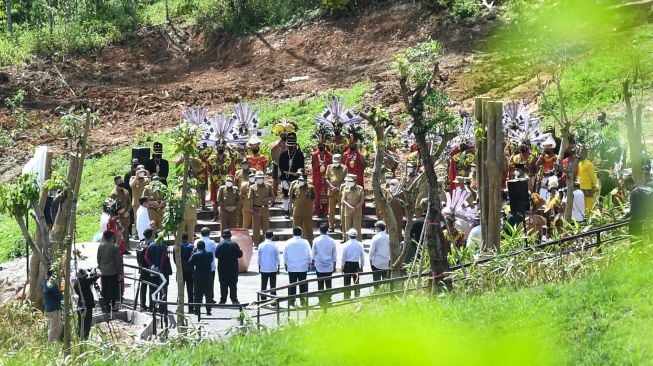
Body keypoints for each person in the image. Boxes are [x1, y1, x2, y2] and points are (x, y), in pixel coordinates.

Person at [279, 133, 305, 218]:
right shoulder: (283, 154)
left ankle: (295, 210)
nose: (290, 148)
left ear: (295, 145)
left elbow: (302, 166)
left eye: (292, 146)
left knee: (296, 194)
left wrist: (299, 171)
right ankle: (286, 211)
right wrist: (285, 173)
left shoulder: (300, 154)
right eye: (289, 146)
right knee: (285, 194)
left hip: (296, 177)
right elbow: (281, 166)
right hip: (285, 177)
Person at [283, 227, 312, 306]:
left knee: (292, 285)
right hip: (302, 267)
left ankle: (291, 302)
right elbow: (309, 254)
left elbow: (285, 254)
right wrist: (310, 263)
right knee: (302, 285)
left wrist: (285, 263)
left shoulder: (288, 242)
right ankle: (303, 301)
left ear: (293, 233)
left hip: (292, 267)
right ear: (301, 233)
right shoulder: (305, 242)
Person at [214, 229, 243, 304]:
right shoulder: (234, 244)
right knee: (233, 283)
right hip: (233, 267)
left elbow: (216, 255)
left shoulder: (220, 245)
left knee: (223, 283)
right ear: (230, 236)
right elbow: (239, 255)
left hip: (222, 267)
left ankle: (223, 300)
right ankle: (234, 299)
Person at [96, 230, 123, 312]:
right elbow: (118, 261)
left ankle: (105, 306)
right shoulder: (114, 247)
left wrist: (100, 267)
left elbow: (98, 258)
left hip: (104, 271)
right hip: (112, 271)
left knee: (104, 289)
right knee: (112, 290)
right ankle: (113, 306)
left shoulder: (101, 246)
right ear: (111, 237)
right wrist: (120, 272)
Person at [145, 235, 172, 313]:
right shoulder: (164, 246)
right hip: (162, 271)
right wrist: (160, 268)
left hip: (153, 270)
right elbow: (163, 258)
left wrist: (152, 265)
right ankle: (162, 308)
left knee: (152, 289)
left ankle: (152, 306)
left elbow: (146, 257)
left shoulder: (150, 245)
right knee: (163, 289)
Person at [188, 240, 214, 315]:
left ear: (197, 247)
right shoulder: (210, 254)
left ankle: (197, 310)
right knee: (208, 294)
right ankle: (208, 311)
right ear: (204, 246)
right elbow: (211, 261)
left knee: (197, 294)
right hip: (208, 276)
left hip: (198, 276)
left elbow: (190, 264)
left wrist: (192, 253)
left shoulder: (195, 255)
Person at [289, 174, 316, 242]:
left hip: (307, 212)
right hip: (297, 212)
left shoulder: (311, 188)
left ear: (305, 180)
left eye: (302, 180)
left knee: (308, 229)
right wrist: (290, 206)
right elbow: (292, 198)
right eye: (299, 180)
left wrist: (312, 206)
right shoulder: (295, 187)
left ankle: (310, 243)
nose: (300, 181)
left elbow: (314, 198)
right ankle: (295, 243)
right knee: (296, 229)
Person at [195, 227, 217, 313]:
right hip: (210, 267)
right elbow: (215, 252)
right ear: (209, 233)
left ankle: (198, 304)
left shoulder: (196, 241)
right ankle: (210, 299)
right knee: (210, 285)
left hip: (199, 268)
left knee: (198, 288)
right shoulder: (212, 242)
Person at [249, 171, 274, 246]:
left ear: (263, 178)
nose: (259, 179)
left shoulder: (268, 186)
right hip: (256, 209)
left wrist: (268, 199)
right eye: (258, 178)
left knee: (266, 226)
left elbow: (273, 197)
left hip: (265, 209)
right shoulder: (252, 187)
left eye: (261, 178)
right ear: (256, 179)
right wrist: (251, 209)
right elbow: (250, 199)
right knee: (256, 227)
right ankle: (256, 243)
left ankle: (266, 242)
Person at [73, 268, 98, 340]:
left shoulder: (76, 283)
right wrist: (94, 273)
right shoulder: (84, 282)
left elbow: (89, 279)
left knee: (80, 322)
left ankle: (79, 336)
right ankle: (85, 337)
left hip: (80, 304)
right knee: (87, 322)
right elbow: (95, 277)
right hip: (87, 305)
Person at [312, 223, 337, 291]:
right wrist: (334, 266)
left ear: (320, 231)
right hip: (329, 266)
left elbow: (313, 253)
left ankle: (321, 300)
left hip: (319, 266)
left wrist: (312, 263)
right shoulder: (332, 241)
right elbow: (334, 255)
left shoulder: (316, 240)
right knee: (329, 284)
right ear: (327, 230)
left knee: (320, 284)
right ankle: (329, 299)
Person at [341, 228, 365, 300]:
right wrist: (362, 266)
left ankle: (346, 297)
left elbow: (343, 257)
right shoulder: (360, 245)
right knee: (356, 281)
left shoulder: (345, 245)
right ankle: (357, 296)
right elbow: (362, 257)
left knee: (347, 282)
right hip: (356, 264)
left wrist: (342, 265)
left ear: (349, 236)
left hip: (347, 264)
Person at [110, 175, 131, 254]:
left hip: (126, 216)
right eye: (119, 183)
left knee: (125, 232)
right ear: (116, 184)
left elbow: (129, 202)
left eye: (122, 182)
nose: (121, 184)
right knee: (117, 233)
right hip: (118, 217)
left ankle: (125, 248)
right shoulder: (113, 194)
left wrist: (127, 211)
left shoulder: (126, 191)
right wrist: (121, 212)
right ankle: (116, 249)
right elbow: (112, 206)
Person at [326, 154, 347, 232]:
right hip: (331, 191)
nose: (336, 163)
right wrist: (331, 186)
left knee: (342, 209)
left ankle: (342, 225)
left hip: (341, 191)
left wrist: (339, 187)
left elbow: (345, 179)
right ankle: (331, 226)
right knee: (331, 210)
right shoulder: (329, 167)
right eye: (334, 161)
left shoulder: (344, 168)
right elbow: (327, 178)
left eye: (337, 162)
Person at [312, 140, 332, 217]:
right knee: (317, 195)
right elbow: (313, 165)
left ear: (324, 145)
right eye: (319, 144)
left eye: (322, 144)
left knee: (326, 195)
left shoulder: (329, 155)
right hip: (317, 178)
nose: (320, 146)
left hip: (326, 178)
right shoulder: (314, 155)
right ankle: (317, 212)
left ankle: (325, 212)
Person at [175, 232, 195, 313]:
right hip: (190, 270)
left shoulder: (177, 247)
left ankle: (179, 306)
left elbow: (175, 259)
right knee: (190, 290)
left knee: (180, 289)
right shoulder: (192, 246)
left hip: (180, 270)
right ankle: (191, 307)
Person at [258, 230, 280, 300]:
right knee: (273, 286)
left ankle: (263, 300)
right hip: (272, 268)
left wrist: (259, 267)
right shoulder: (274, 246)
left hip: (263, 268)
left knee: (263, 285)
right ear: (272, 236)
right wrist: (278, 267)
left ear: (265, 236)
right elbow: (277, 258)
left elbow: (259, 258)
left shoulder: (260, 245)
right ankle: (273, 300)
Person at [136, 228, 154, 311]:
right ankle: (151, 305)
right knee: (151, 287)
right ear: (151, 235)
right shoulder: (151, 245)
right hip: (149, 268)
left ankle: (142, 304)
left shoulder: (140, 244)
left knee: (143, 287)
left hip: (142, 268)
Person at [42, 268, 63, 342]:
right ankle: (51, 344)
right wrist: (62, 294)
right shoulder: (52, 284)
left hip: (49, 307)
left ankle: (55, 342)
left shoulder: (44, 282)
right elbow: (58, 296)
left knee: (58, 326)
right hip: (54, 308)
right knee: (54, 328)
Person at [130, 165, 150, 238]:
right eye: (139, 170)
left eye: (142, 170)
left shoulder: (145, 179)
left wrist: (147, 175)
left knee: (145, 217)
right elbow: (131, 185)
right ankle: (136, 233)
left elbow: (150, 184)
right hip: (136, 202)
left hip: (145, 203)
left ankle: (145, 233)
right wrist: (136, 176)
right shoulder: (132, 178)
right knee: (136, 218)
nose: (141, 171)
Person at [578, 148, 599, 214]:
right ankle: (586, 215)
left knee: (589, 203)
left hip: (588, 187)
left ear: (585, 154)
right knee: (584, 202)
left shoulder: (589, 164)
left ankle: (591, 215)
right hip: (581, 186)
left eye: (581, 153)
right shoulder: (579, 164)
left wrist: (596, 186)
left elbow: (593, 177)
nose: (580, 154)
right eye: (579, 152)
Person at [123, 158, 139, 238]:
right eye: (135, 165)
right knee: (130, 216)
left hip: (139, 198)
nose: (136, 167)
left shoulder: (142, 174)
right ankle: (129, 232)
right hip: (130, 198)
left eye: (137, 164)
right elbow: (126, 187)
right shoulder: (128, 175)